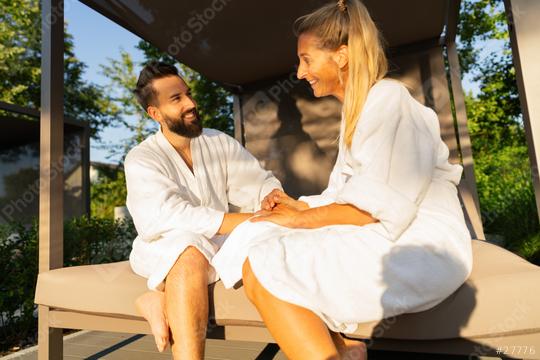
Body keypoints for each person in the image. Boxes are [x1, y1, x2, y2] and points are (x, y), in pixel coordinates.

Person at [211, 1, 473, 359]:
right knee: (259, 233)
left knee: (265, 261)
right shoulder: (360, 112)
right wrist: (298, 206)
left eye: (306, 59)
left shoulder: (388, 99)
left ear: (343, 55)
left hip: (420, 245)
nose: (301, 73)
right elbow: (345, 195)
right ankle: (347, 349)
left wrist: (301, 218)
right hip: (386, 231)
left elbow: (378, 204)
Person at [124, 61, 282, 359]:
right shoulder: (141, 158)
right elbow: (167, 216)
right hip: (162, 247)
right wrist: (246, 219)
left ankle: (156, 296)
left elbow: (256, 182)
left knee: (280, 230)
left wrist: (269, 199)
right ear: (155, 114)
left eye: (188, 94)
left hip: (218, 242)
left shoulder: (217, 141)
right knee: (189, 249)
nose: (191, 104)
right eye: (176, 99)